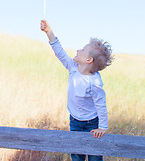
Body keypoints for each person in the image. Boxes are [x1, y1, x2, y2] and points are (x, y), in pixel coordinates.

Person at [40, 20, 113, 161]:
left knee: (94, 156)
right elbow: (60, 53)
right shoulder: (73, 67)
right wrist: (49, 32)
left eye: (82, 50)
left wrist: (102, 127)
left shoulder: (94, 82)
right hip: (75, 120)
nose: (78, 50)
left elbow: (101, 105)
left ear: (89, 60)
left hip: (93, 122)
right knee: (77, 154)